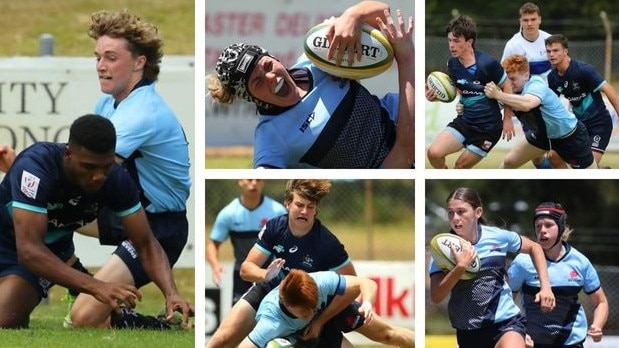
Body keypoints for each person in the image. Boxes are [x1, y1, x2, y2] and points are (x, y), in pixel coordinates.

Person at [0, 114, 193, 329]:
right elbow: (29, 250)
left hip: (45, 255)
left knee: (5, 319)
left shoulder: (116, 179)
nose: (98, 176)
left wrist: (171, 292)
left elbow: (145, 242)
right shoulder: (36, 167)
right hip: (27, 249)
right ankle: (78, 280)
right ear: (68, 153)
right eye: (89, 167)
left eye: (106, 166)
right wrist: (96, 286)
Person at [65, 9, 193, 329]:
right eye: (98, 57)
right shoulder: (109, 103)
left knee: (82, 320)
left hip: (158, 229)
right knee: (35, 210)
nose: (100, 66)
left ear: (140, 62)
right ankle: (76, 281)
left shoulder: (141, 112)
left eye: (110, 57)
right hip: (128, 215)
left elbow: (88, 172)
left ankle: (154, 325)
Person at [207, 180, 414, 347]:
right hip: (272, 291)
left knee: (387, 335)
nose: (304, 211)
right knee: (222, 339)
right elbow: (246, 269)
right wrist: (265, 275)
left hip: (319, 303)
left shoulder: (327, 244)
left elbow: (353, 287)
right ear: (288, 204)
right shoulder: (275, 228)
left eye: (310, 207)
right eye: (299, 205)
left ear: (316, 210)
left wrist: (320, 320)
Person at [207, 2, 414, 169]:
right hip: (394, 162)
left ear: (274, 57)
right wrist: (406, 57)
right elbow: (405, 151)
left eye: (268, 65)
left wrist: (353, 15)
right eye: (258, 82)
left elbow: (382, 10)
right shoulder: (271, 135)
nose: (271, 77)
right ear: (251, 97)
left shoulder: (318, 59)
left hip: (401, 117)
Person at [428, 187, 555, 348]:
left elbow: (534, 248)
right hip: (468, 330)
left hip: (506, 321)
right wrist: (460, 268)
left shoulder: (497, 236)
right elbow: (436, 296)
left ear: (478, 212)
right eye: (451, 213)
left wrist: (545, 287)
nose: (455, 218)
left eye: (461, 212)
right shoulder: (442, 251)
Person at [509, 202, 609, 347]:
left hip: (571, 343)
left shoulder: (580, 262)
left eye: (548, 225)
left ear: (561, 227)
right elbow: (505, 301)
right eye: (538, 226)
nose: (542, 230)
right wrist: (517, 332)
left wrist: (597, 325)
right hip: (532, 343)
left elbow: (601, 302)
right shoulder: (523, 261)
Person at [240, 269, 414, 348]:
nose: (312, 312)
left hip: (332, 309)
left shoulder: (321, 282)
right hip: (305, 335)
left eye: (314, 305)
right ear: (287, 304)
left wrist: (368, 303)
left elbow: (366, 283)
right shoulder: (270, 323)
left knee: (388, 334)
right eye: (306, 311)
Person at [426, 14, 513, 169]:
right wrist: (436, 97)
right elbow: (460, 90)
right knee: (433, 153)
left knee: (460, 167)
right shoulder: (452, 64)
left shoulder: (487, 64)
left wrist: (507, 119)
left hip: (488, 129)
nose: (451, 45)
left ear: (469, 42)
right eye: (449, 40)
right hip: (465, 122)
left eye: (456, 41)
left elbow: (508, 86)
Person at [484, 54, 597, 169]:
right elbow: (490, 108)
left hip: (568, 135)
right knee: (508, 163)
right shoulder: (509, 92)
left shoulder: (536, 84)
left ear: (526, 75)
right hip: (542, 136)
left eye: (513, 79)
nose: (509, 84)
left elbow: (527, 104)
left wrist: (498, 95)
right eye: (507, 80)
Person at [206, 179, 287, 304]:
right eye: (249, 179)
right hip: (241, 274)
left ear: (263, 182)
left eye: (258, 179)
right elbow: (213, 244)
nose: (254, 183)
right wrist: (215, 266)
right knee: (238, 318)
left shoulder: (277, 211)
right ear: (240, 181)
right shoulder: (228, 213)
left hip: (272, 273)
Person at [545, 34, 619, 168]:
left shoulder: (584, 70)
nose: (551, 54)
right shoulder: (552, 78)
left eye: (555, 50)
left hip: (599, 125)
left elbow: (609, 90)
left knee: (587, 169)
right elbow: (550, 105)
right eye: (548, 51)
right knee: (553, 157)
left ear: (565, 51)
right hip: (578, 127)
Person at [501, 2, 557, 169]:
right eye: (526, 20)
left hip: (548, 102)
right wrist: (508, 117)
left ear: (540, 19)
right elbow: (503, 79)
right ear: (520, 21)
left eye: (533, 19)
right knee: (537, 155)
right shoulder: (513, 45)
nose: (530, 23)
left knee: (553, 152)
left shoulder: (549, 41)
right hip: (525, 105)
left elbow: (560, 70)